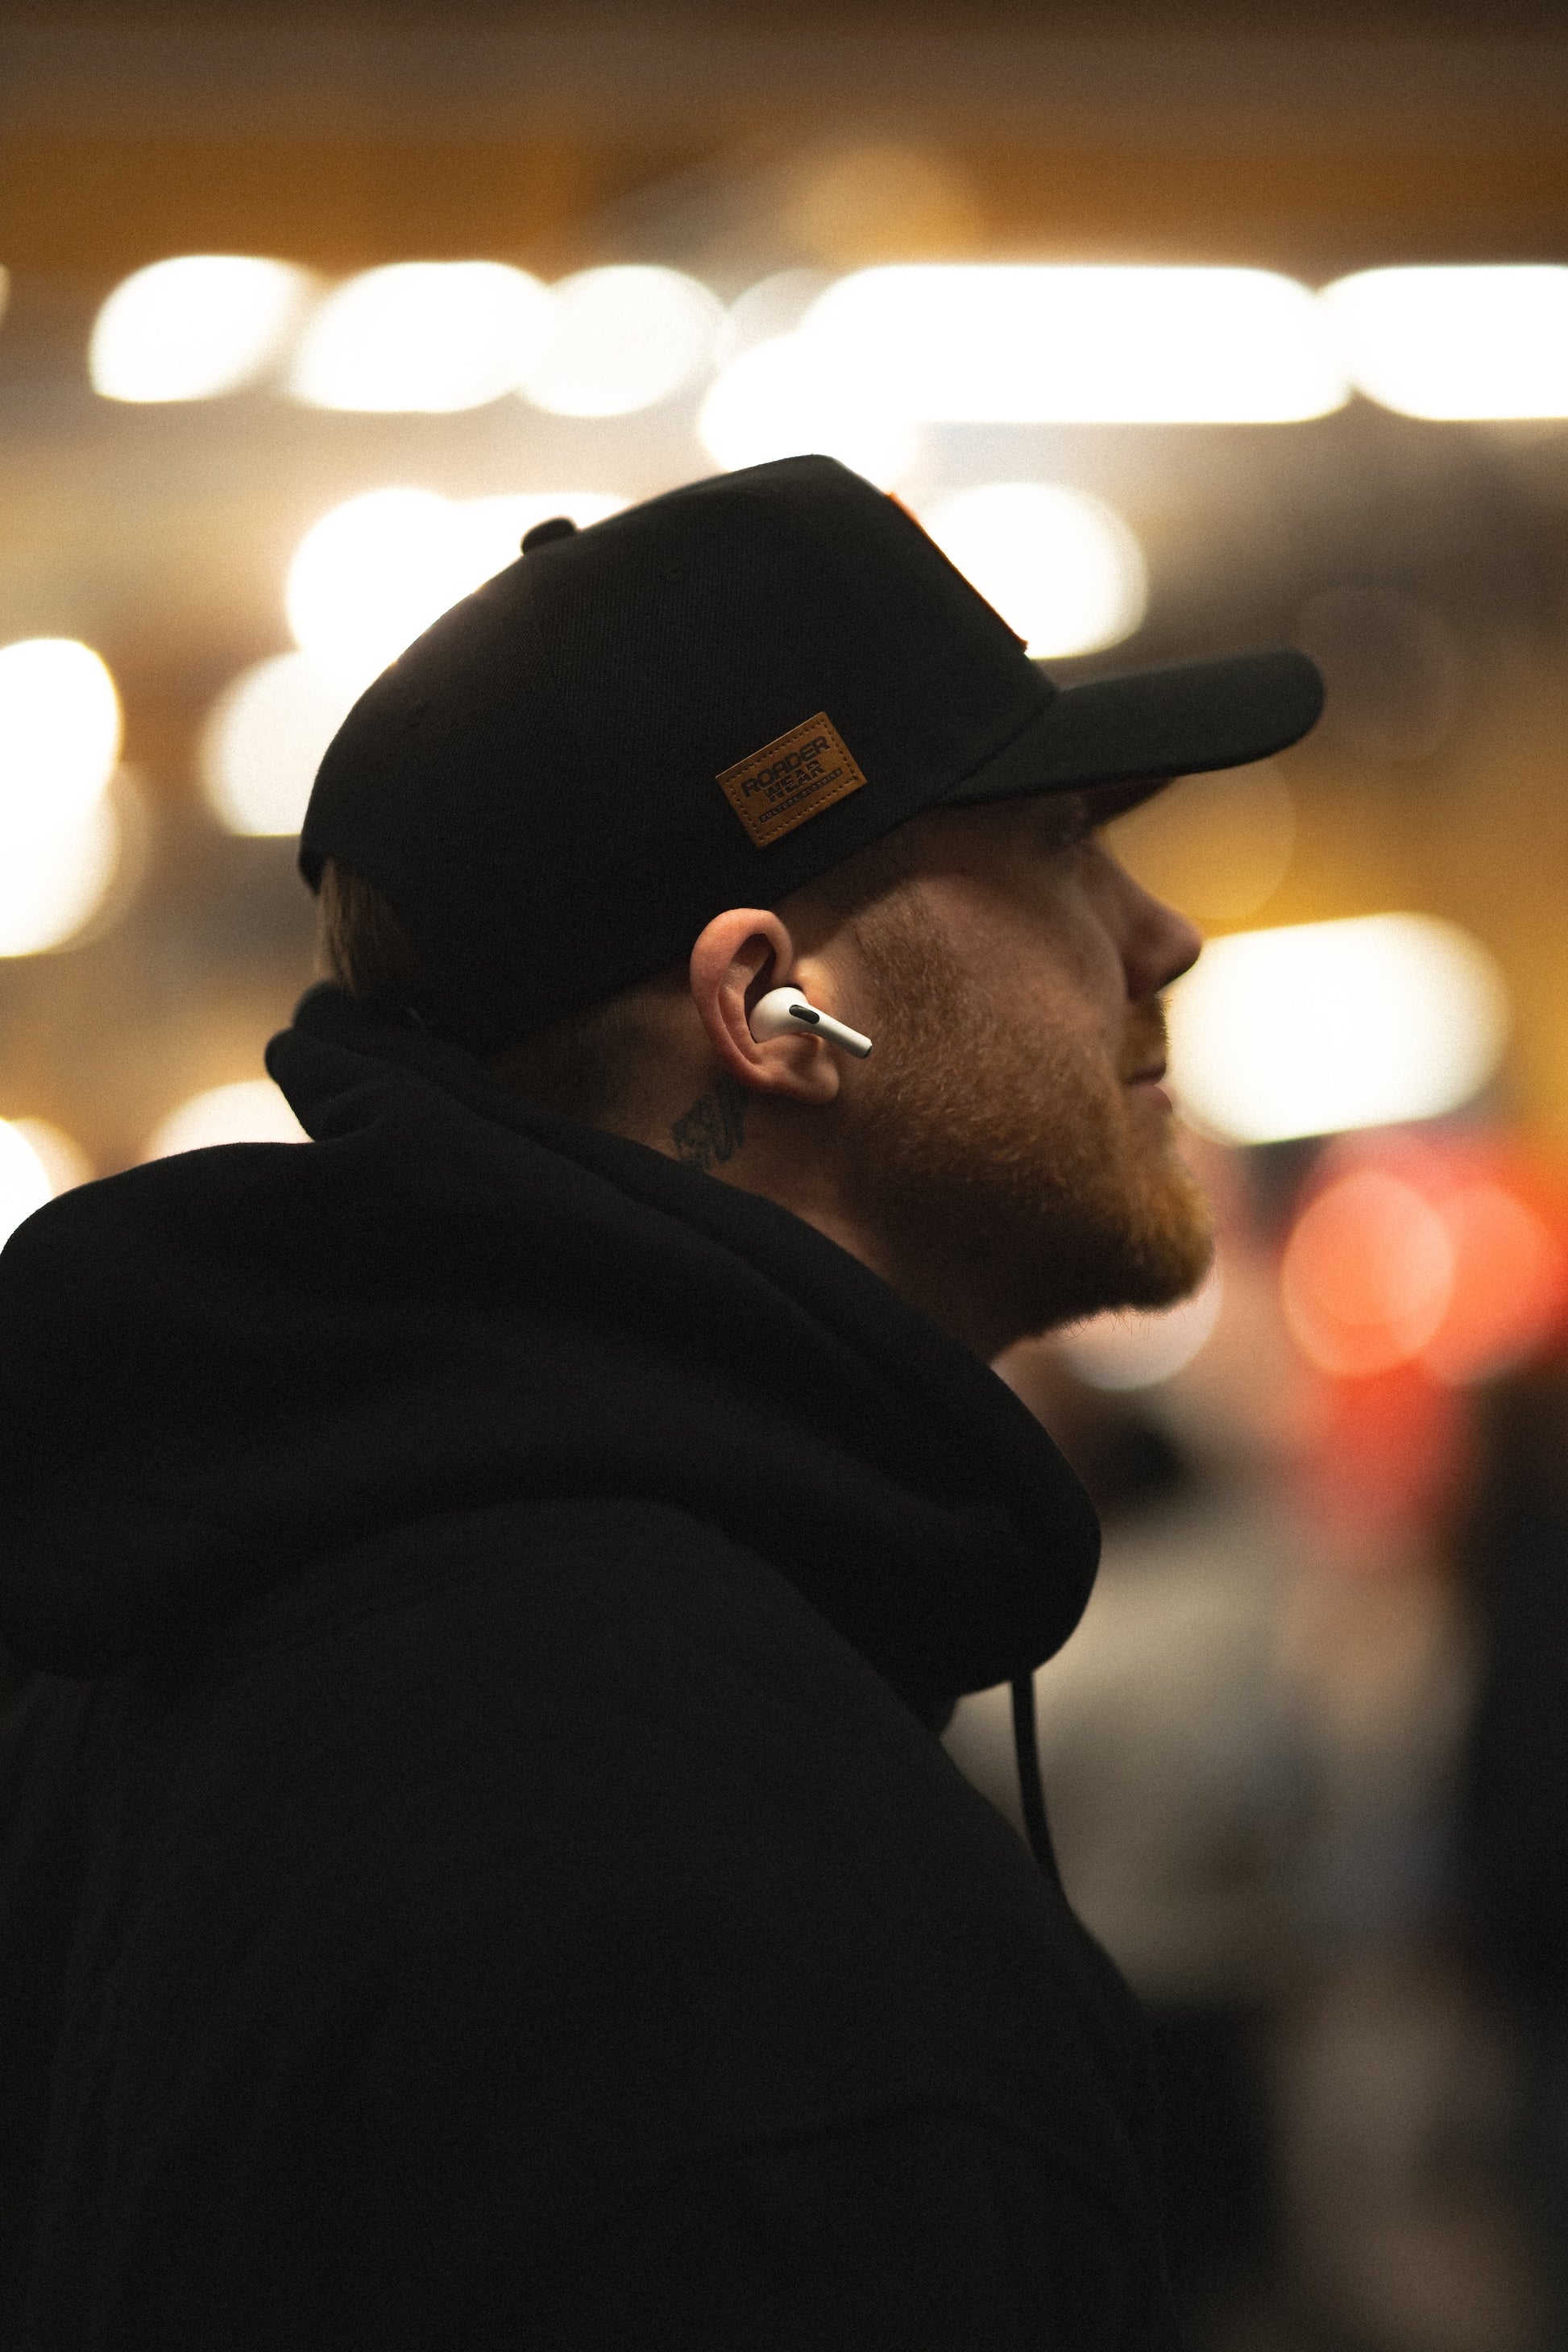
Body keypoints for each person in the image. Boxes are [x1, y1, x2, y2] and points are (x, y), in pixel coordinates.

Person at [0, 455, 1322, 2349]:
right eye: (1057, 846)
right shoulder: (744, 1888)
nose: (1158, 930)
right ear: (771, 1008)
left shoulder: (176, 1649)